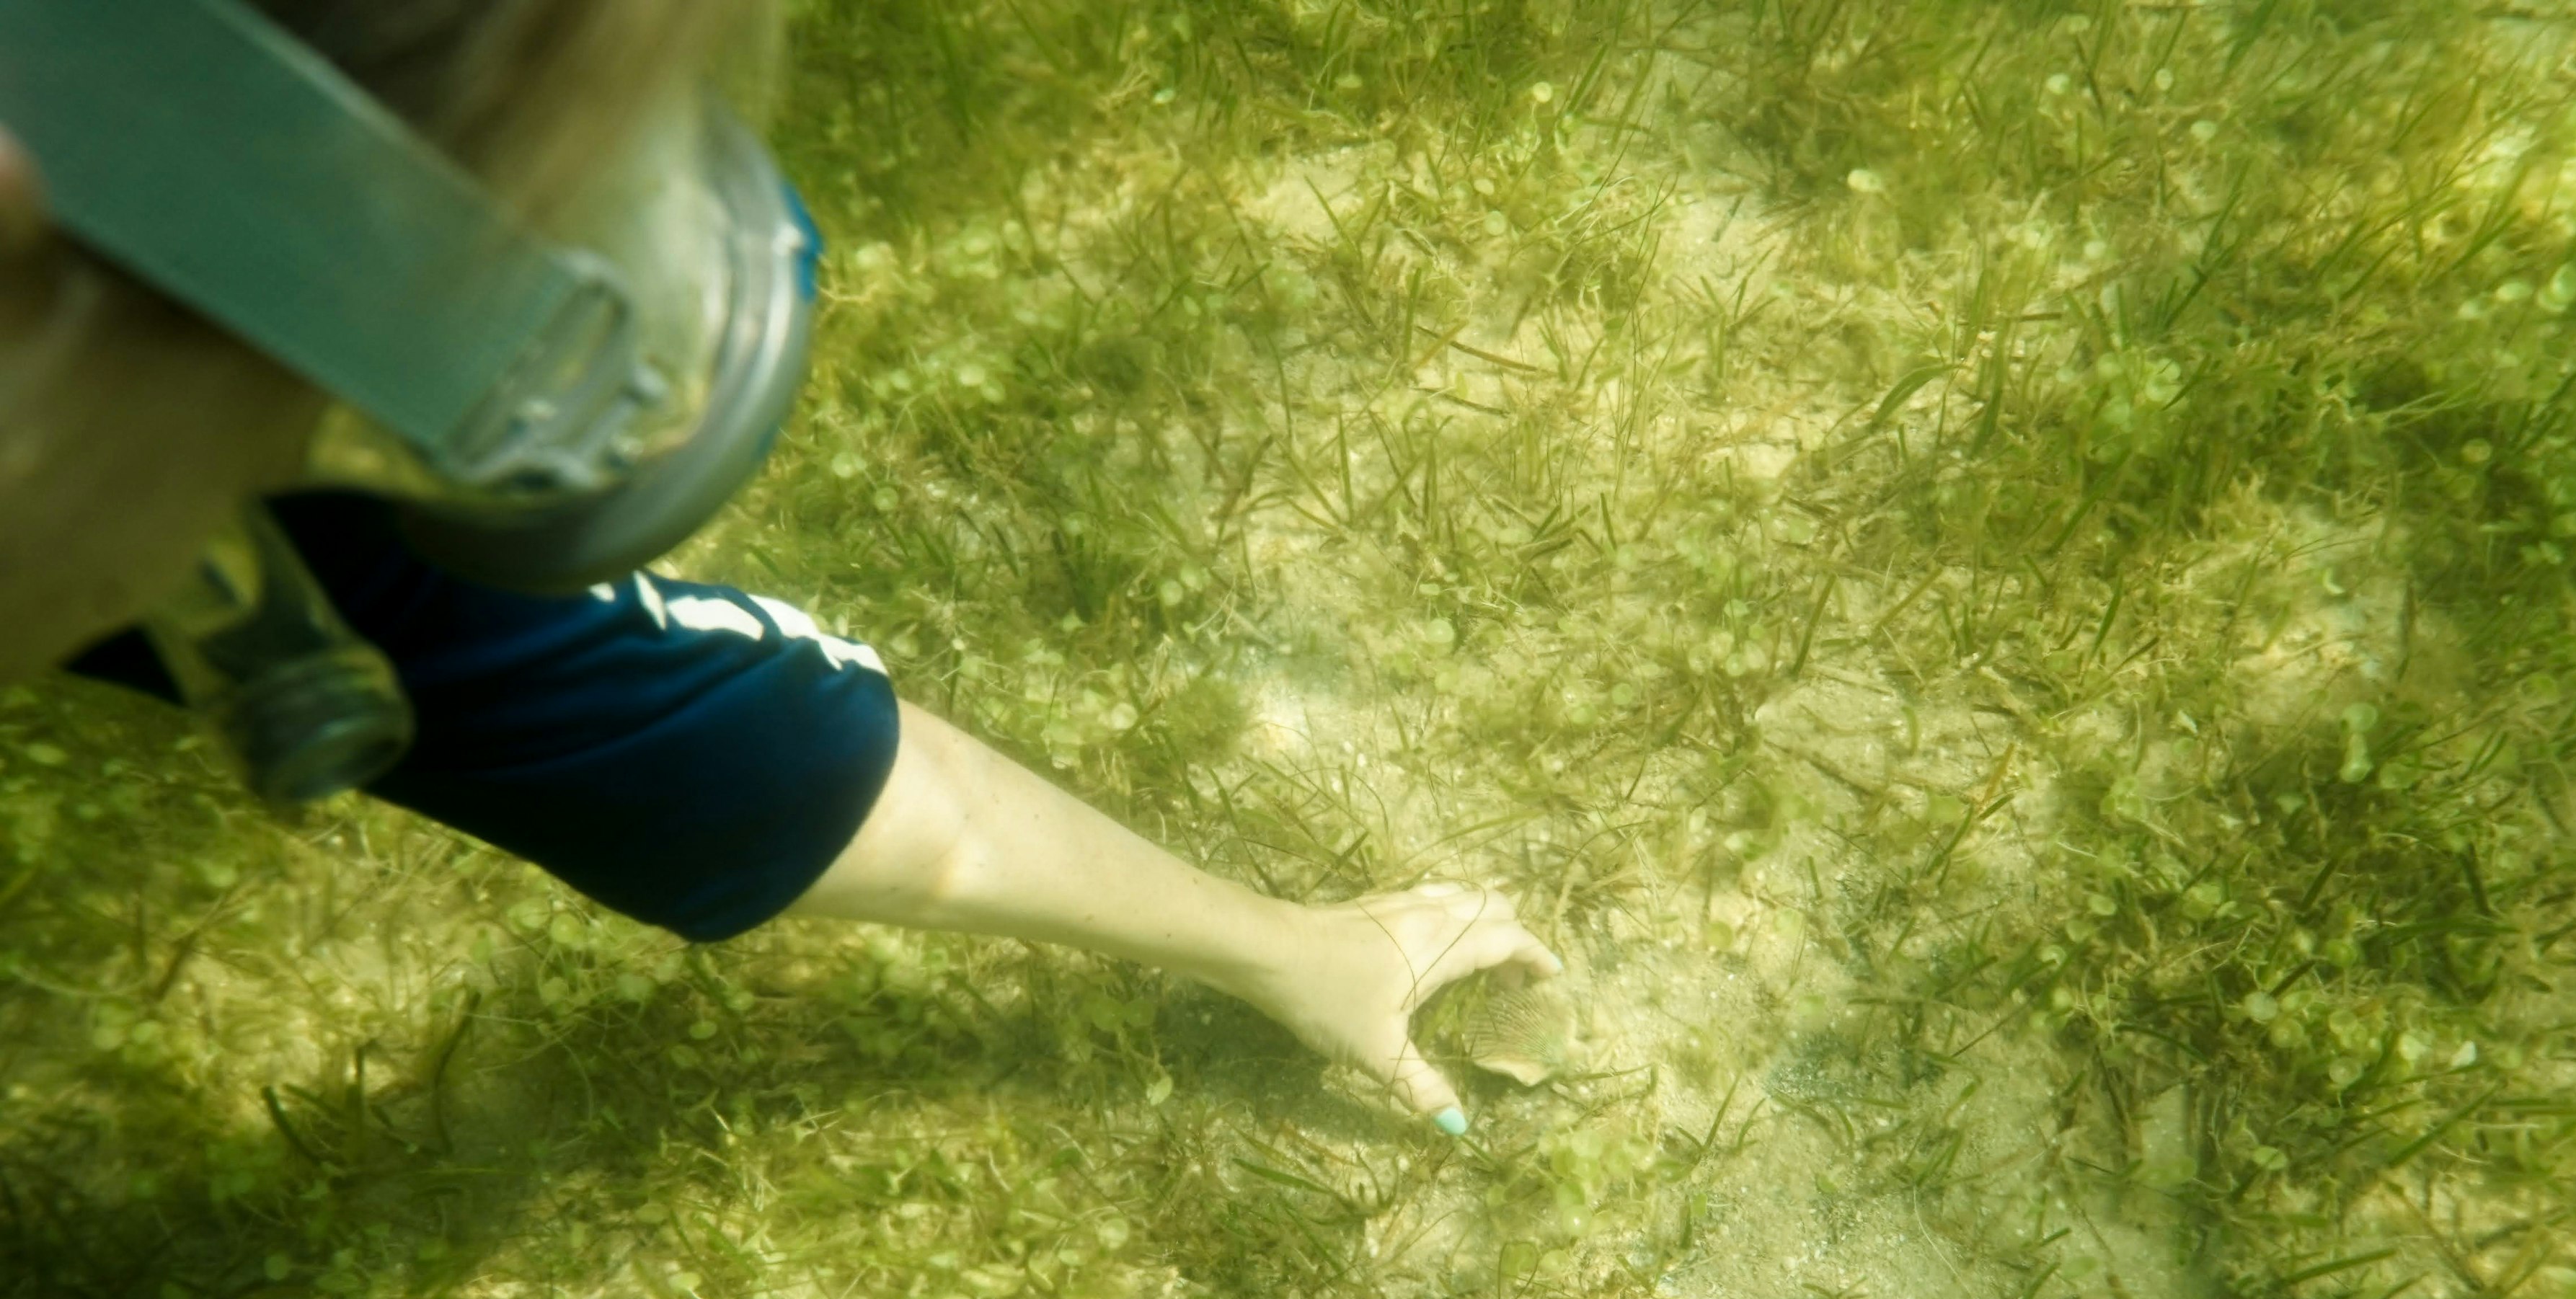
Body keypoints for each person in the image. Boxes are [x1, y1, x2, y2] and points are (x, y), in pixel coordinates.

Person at [0, 0, 1554, 1133]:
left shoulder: (176, 444)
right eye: (329, 421)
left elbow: (730, 749)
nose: (291, 529)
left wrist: (1293, 948)